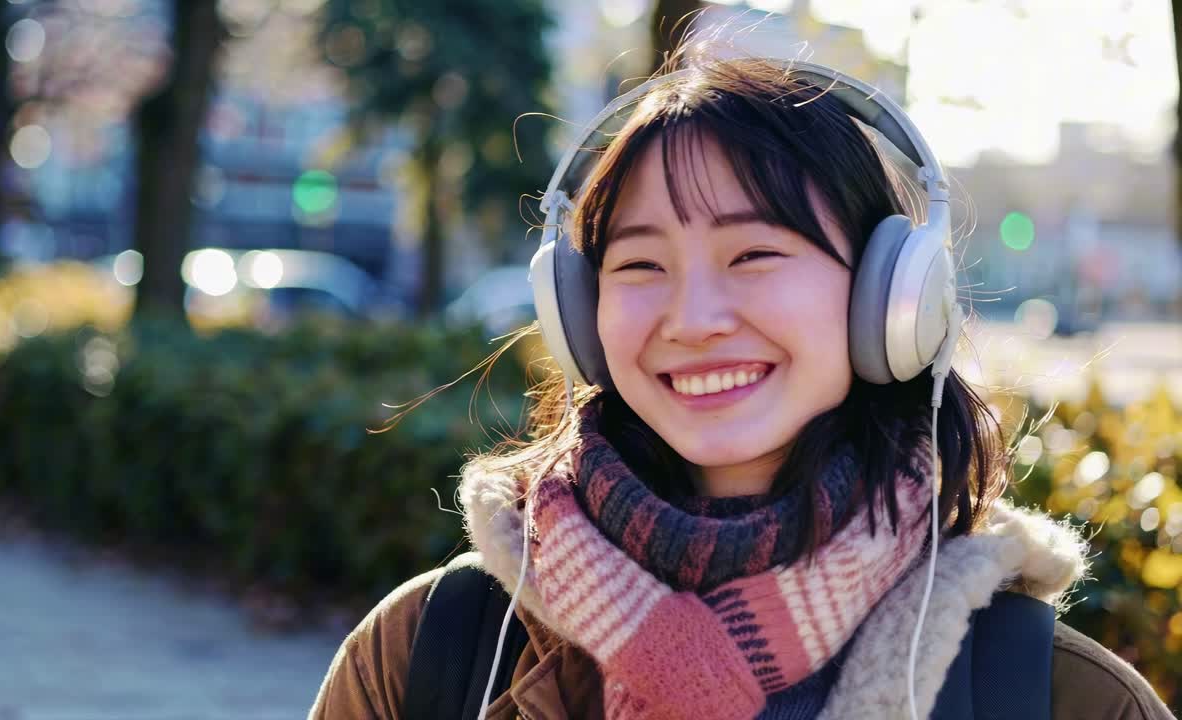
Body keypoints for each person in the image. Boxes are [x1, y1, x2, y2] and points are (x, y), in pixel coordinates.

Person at [308, 56, 1176, 720]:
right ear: (580, 315)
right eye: (640, 264)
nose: (693, 317)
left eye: (754, 254)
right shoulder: (438, 646)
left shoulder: (1051, 692)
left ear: (891, 298)